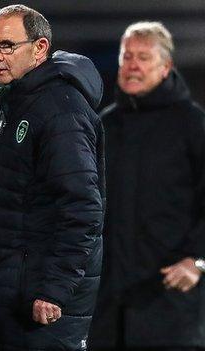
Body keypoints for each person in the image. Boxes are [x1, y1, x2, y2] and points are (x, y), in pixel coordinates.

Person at [0, 4, 105, 350]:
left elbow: (83, 210)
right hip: (12, 292)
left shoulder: (61, 110)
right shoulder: (20, 105)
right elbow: (11, 204)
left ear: (40, 48)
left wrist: (55, 289)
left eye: (7, 46)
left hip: (43, 304)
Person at [89, 21, 205, 351]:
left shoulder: (192, 124)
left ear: (166, 66)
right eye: (127, 57)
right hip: (107, 310)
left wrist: (198, 260)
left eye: (143, 57)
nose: (132, 66)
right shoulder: (103, 125)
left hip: (169, 307)